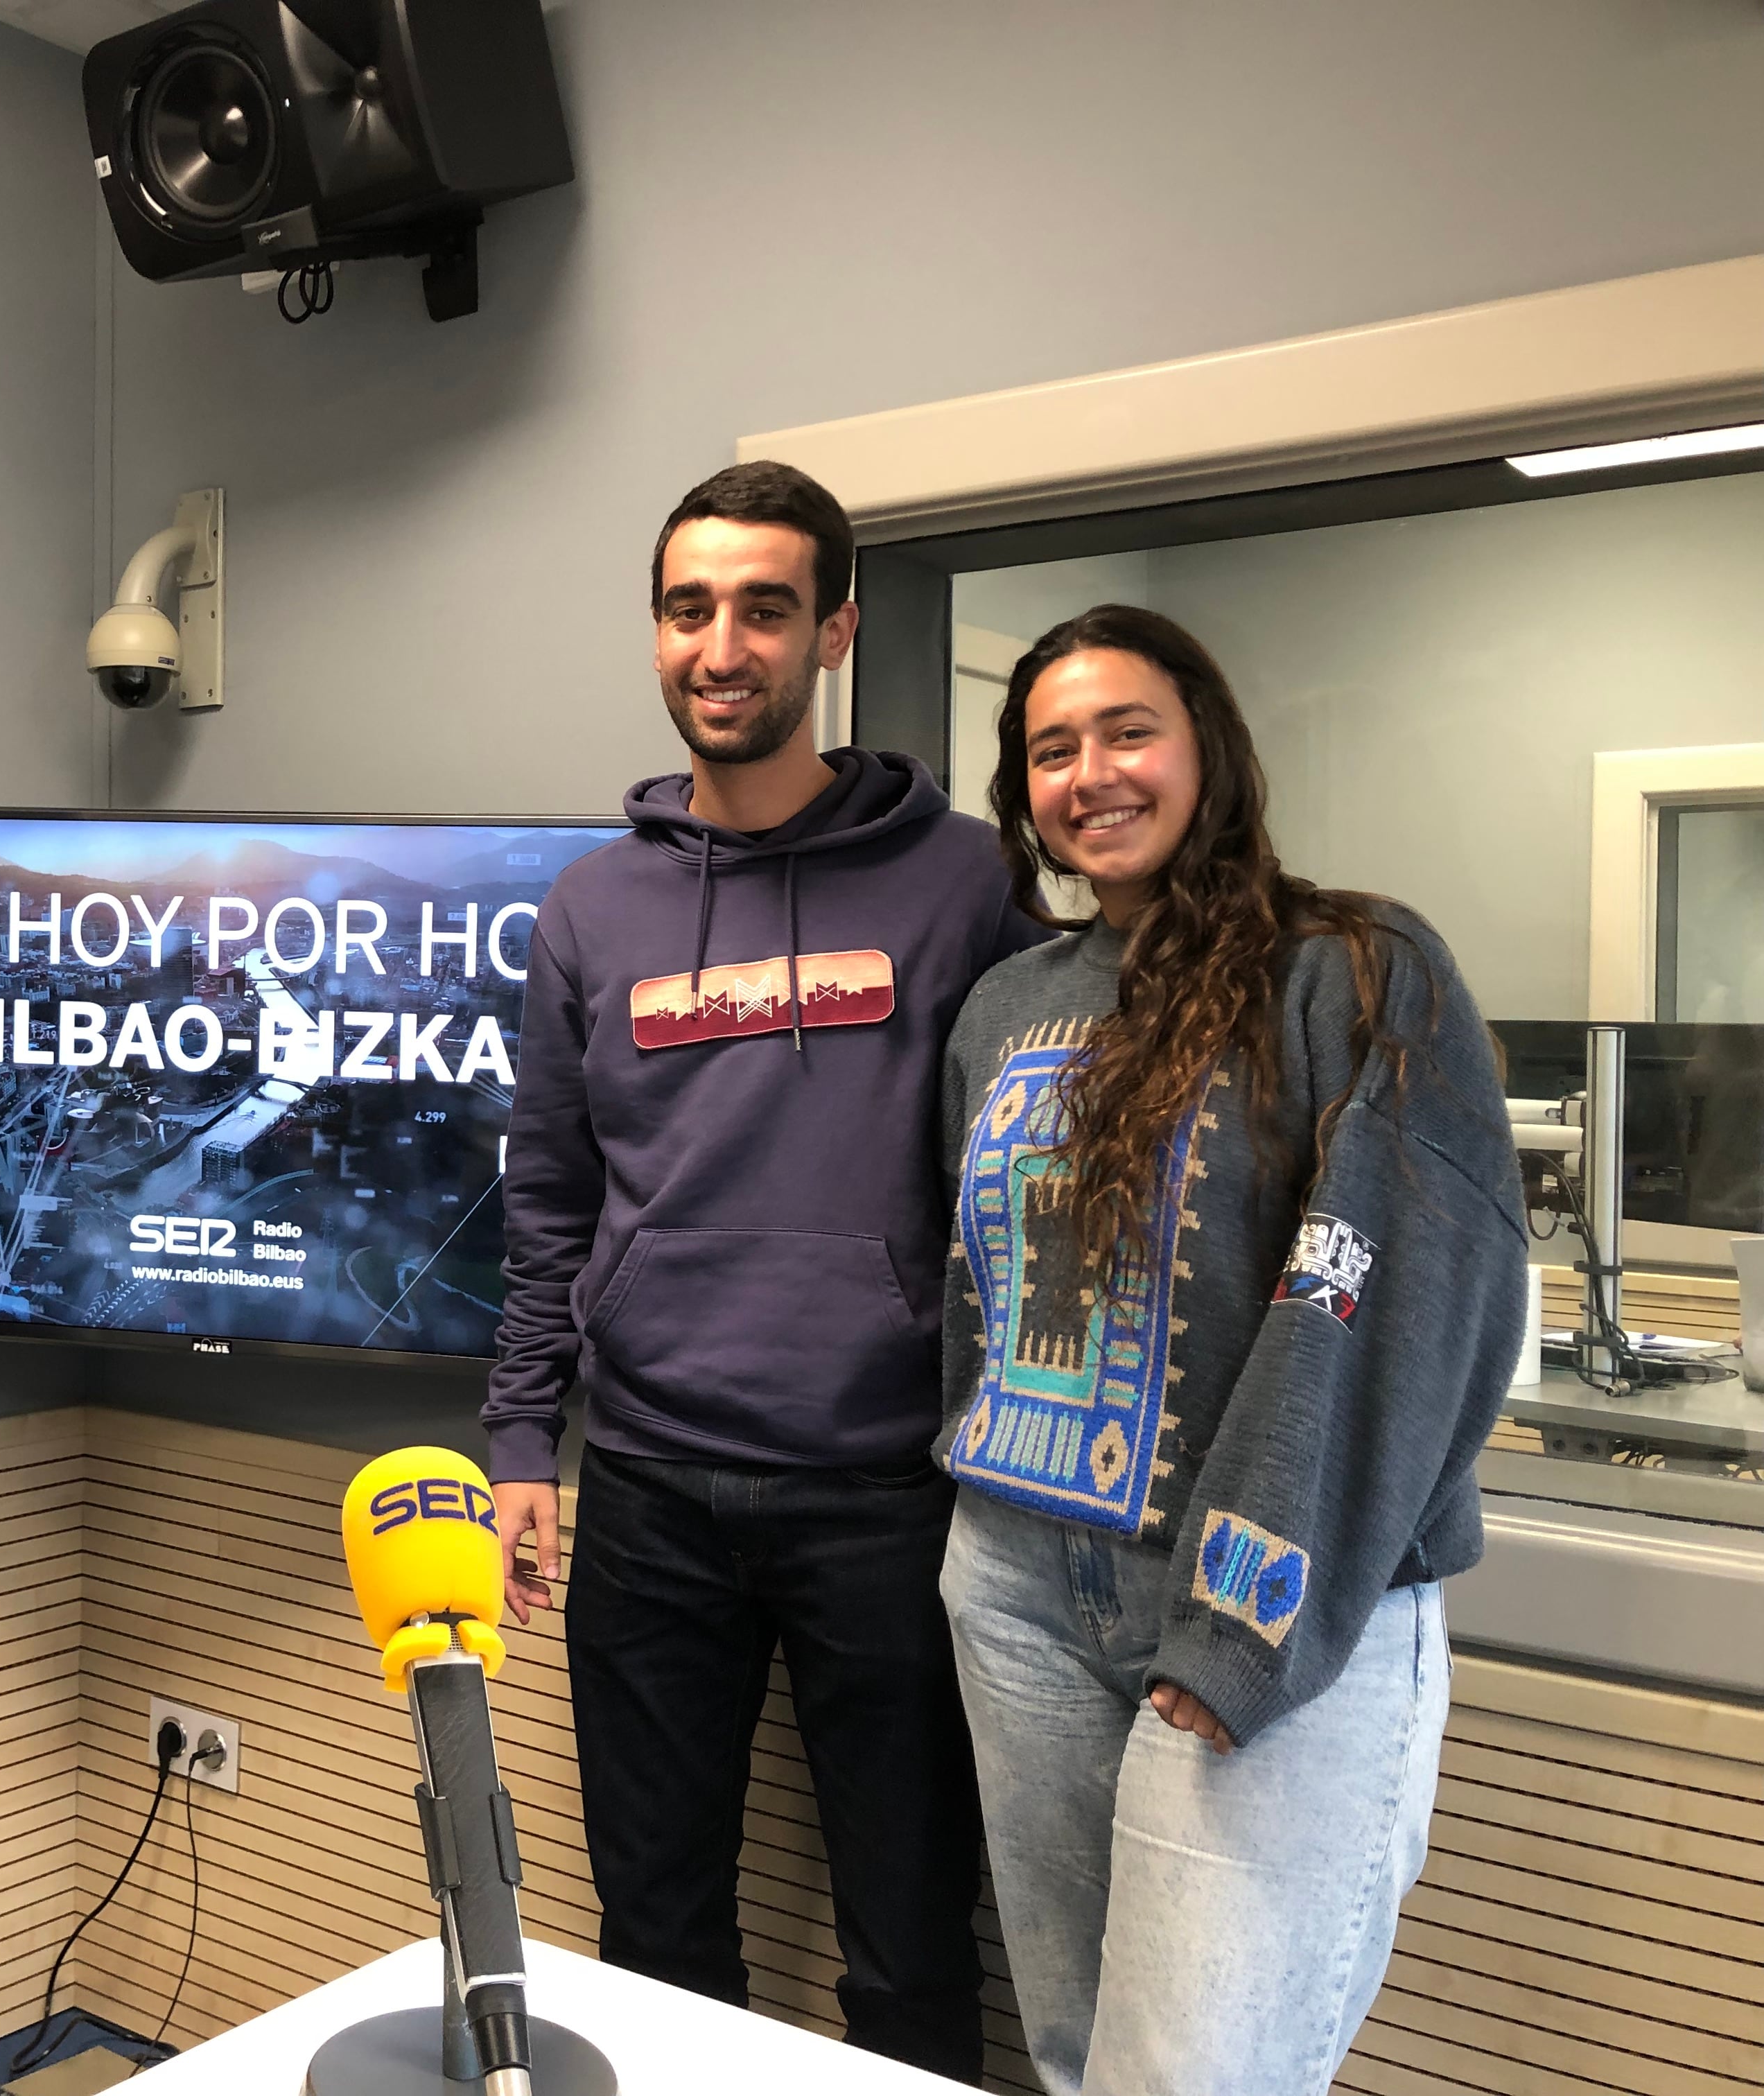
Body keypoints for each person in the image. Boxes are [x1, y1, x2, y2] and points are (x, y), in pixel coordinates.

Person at [484, 461, 1045, 2082]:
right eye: (686, 608)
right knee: (653, 1937)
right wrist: (524, 1441)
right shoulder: (594, 906)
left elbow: (1036, 1182)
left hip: (893, 1498)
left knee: (912, 1947)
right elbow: (550, 1199)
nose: (719, 646)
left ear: (835, 633)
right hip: (651, 1492)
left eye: (762, 609)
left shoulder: (963, 885)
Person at [934, 605, 1527, 2096]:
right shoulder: (1006, 1007)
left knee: (1192, 2074)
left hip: (1256, 1602)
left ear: (1208, 747)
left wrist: (1242, 1615)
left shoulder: (1361, 972)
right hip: (1018, 1582)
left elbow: (1375, 1303)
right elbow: (977, 1286)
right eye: (1051, 749)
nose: (1092, 773)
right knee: (1076, 2057)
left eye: (1128, 730)